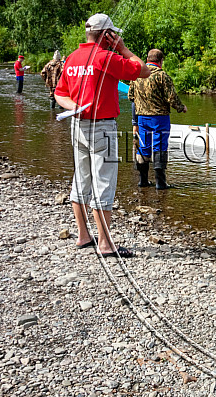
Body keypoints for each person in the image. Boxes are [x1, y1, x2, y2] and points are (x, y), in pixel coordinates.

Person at [54, 13, 150, 258]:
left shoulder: (72, 58)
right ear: (106, 35)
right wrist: (123, 48)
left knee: (81, 179)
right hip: (102, 127)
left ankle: (83, 236)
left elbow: (59, 93)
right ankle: (106, 244)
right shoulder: (106, 57)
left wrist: (72, 107)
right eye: (112, 35)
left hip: (77, 124)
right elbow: (143, 71)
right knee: (103, 184)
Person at [128, 49, 187, 189]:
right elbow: (171, 97)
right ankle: (160, 183)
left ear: (147, 59)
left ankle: (143, 181)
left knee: (143, 147)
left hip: (142, 118)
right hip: (160, 118)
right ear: (160, 61)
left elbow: (131, 97)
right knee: (160, 147)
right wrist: (181, 107)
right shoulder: (162, 76)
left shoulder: (136, 75)